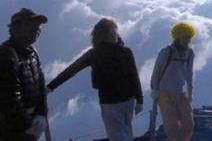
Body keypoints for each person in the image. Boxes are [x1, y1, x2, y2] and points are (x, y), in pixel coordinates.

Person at [46, 18, 143, 141]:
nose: (116, 34)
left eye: (115, 31)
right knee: (122, 135)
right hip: (116, 103)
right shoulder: (112, 53)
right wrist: (50, 87)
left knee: (122, 135)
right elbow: (71, 71)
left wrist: (139, 99)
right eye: (113, 31)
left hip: (121, 102)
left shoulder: (116, 52)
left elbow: (134, 76)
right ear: (104, 34)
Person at [0, 8, 49, 141]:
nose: (38, 30)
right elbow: (9, 98)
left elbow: (40, 84)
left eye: (39, 26)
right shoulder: (6, 54)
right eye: (33, 25)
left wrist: (41, 113)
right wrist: (28, 126)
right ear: (16, 27)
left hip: (29, 123)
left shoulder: (32, 52)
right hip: (11, 127)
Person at [150, 21, 196, 141]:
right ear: (178, 37)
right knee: (172, 126)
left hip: (180, 91)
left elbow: (189, 74)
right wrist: (155, 90)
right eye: (185, 38)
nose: (188, 41)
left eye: (189, 38)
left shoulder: (190, 54)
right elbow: (156, 72)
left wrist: (190, 92)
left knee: (189, 124)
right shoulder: (167, 52)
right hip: (164, 91)